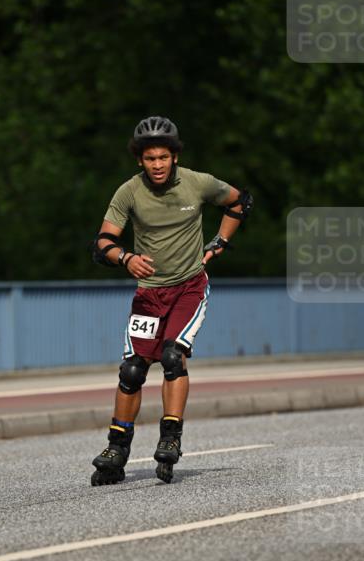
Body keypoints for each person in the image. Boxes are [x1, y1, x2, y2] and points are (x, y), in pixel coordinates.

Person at [90, 115, 252, 485]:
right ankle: (118, 447)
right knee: (132, 370)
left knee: (172, 357)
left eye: (163, 157)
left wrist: (220, 242)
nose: (158, 165)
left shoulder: (198, 183)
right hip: (149, 295)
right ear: (139, 161)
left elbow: (240, 201)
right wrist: (126, 257)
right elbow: (102, 243)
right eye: (150, 159)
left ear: (174, 156)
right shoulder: (128, 192)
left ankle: (171, 437)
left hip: (189, 287)